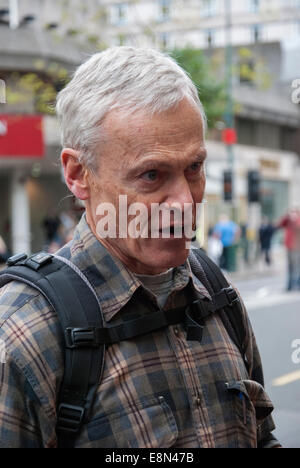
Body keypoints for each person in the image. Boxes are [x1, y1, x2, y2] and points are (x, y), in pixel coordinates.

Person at [0, 47, 280, 448]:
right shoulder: (23, 333)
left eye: (194, 168)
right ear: (79, 175)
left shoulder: (217, 295)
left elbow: (262, 436)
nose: (185, 202)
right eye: (152, 175)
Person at [278, 208, 300, 291]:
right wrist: (287, 217)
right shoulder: (288, 221)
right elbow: (280, 224)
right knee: (290, 267)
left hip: (297, 247)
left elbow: (298, 227)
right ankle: (290, 285)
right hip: (289, 246)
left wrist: (295, 219)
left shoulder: (297, 220)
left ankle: (297, 284)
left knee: (296, 267)